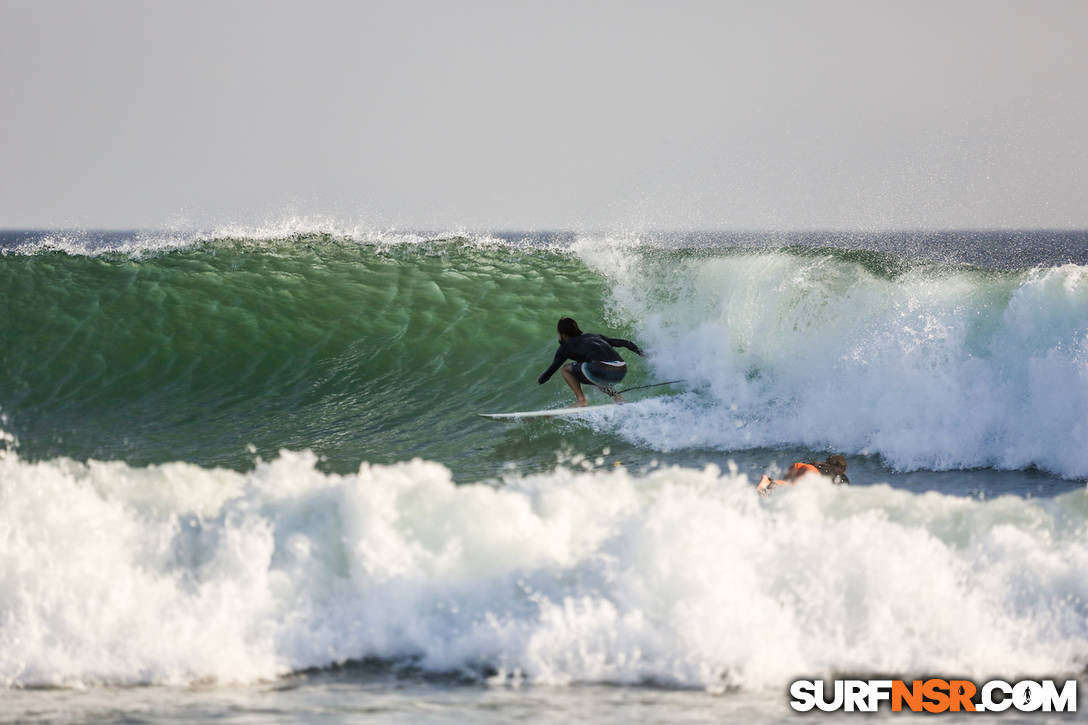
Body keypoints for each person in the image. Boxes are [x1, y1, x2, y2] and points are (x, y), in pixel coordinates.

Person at [537, 317, 644, 406]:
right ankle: (618, 399)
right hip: (621, 368)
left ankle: (581, 400)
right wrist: (642, 353)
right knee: (595, 373)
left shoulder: (565, 347)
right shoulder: (595, 336)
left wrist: (540, 379)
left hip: (600, 368)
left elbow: (549, 373)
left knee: (566, 369)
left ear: (563, 334)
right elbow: (626, 343)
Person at [757, 454, 849, 496]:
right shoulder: (840, 474)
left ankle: (765, 488)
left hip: (798, 466)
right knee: (791, 487)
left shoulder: (822, 465)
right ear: (843, 469)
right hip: (811, 471)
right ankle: (767, 482)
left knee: (784, 492)